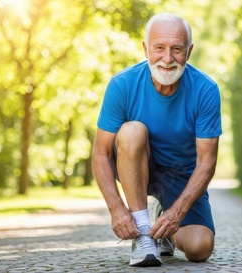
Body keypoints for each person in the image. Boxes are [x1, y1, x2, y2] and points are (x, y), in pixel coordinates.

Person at [92, 13, 222, 267]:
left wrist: (177, 213)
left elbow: (207, 161)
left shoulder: (206, 89)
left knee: (199, 248)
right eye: (159, 48)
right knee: (131, 131)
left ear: (190, 51)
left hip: (180, 176)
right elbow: (100, 153)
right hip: (136, 165)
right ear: (145, 49)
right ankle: (143, 233)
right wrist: (117, 209)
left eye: (177, 49)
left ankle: (162, 221)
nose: (167, 58)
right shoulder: (122, 84)